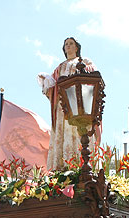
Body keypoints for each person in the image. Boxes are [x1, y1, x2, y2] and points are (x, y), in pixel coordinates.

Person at [37, 37, 99, 171]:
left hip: (81, 104)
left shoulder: (85, 61)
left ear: (77, 47)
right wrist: (47, 82)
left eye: (71, 44)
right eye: (66, 44)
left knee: (79, 131)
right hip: (64, 106)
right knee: (64, 129)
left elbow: (93, 77)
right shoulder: (60, 67)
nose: (68, 46)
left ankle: (82, 163)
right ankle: (63, 166)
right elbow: (53, 88)